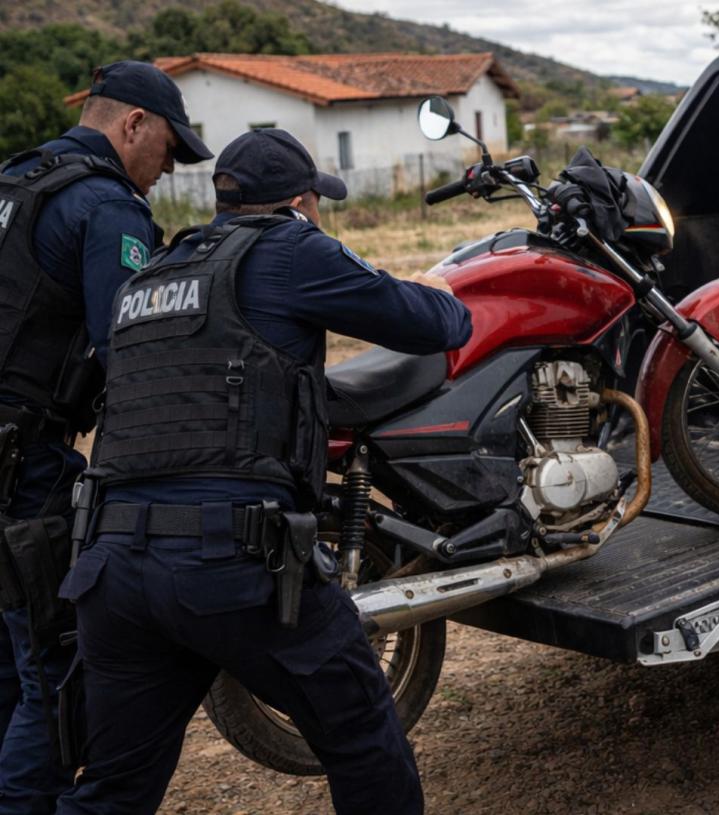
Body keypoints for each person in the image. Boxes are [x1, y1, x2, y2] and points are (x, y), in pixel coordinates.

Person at [54, 128, 471, 815]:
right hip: (229, 559)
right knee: (363, 733)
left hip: (114, 567)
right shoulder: (291, 247)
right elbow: (434, 324)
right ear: (303, 201)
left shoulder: (153, 274)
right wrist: (438, 288)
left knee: (112, 789)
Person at [0, 60, 210, 814]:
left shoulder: (16, 181)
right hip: (23, 471)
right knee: (52, 676)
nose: (167, 172)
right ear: (132, 126)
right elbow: (132, 349)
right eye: (168, 151)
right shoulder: (105, 206)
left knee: (8, 665)